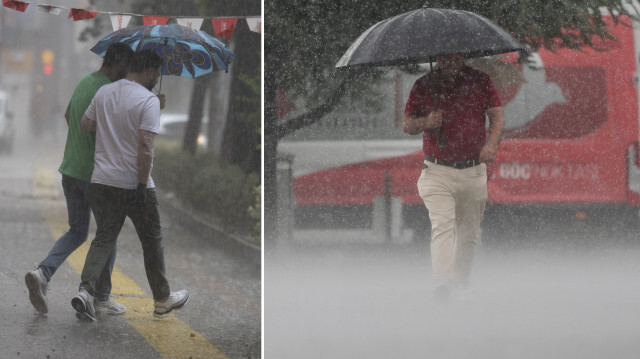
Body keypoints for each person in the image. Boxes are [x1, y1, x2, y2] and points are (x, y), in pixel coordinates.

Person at [72, 50, 188, 322]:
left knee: (104, 236)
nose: (157, 79)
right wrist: (139, 184)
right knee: (151, 240)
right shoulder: (147, 100)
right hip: (133, 182)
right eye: (157, 74)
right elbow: (145, 148)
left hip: (102, 181)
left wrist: (114, 121)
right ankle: (161, 299)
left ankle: (86, 292)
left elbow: (86, 123)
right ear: (148, 72)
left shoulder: (105, 93)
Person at [25, 43, 134, 315]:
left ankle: (42, 273)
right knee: (108, 232)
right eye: (127, 68)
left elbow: (68, 116)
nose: (128, 73)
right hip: (93, 174)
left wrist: (80, 142)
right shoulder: (107, 90)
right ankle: (100, 296)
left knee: (77, 231)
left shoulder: (85, 81)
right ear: (119, 64)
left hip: (69, 169)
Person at [402, 53, 505, 302]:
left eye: (454, 55)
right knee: (443, 225)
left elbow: (497, 116)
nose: (448, 60)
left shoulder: (481, 80)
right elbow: (407, 124)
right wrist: (427, 122)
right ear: (437, 57)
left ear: (463, 56)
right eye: (443, 56)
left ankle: (460, 283)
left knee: (469, 233)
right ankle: (444, 283)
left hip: (473, 169)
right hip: (437, 171)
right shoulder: (424, 84)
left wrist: (491, 145)